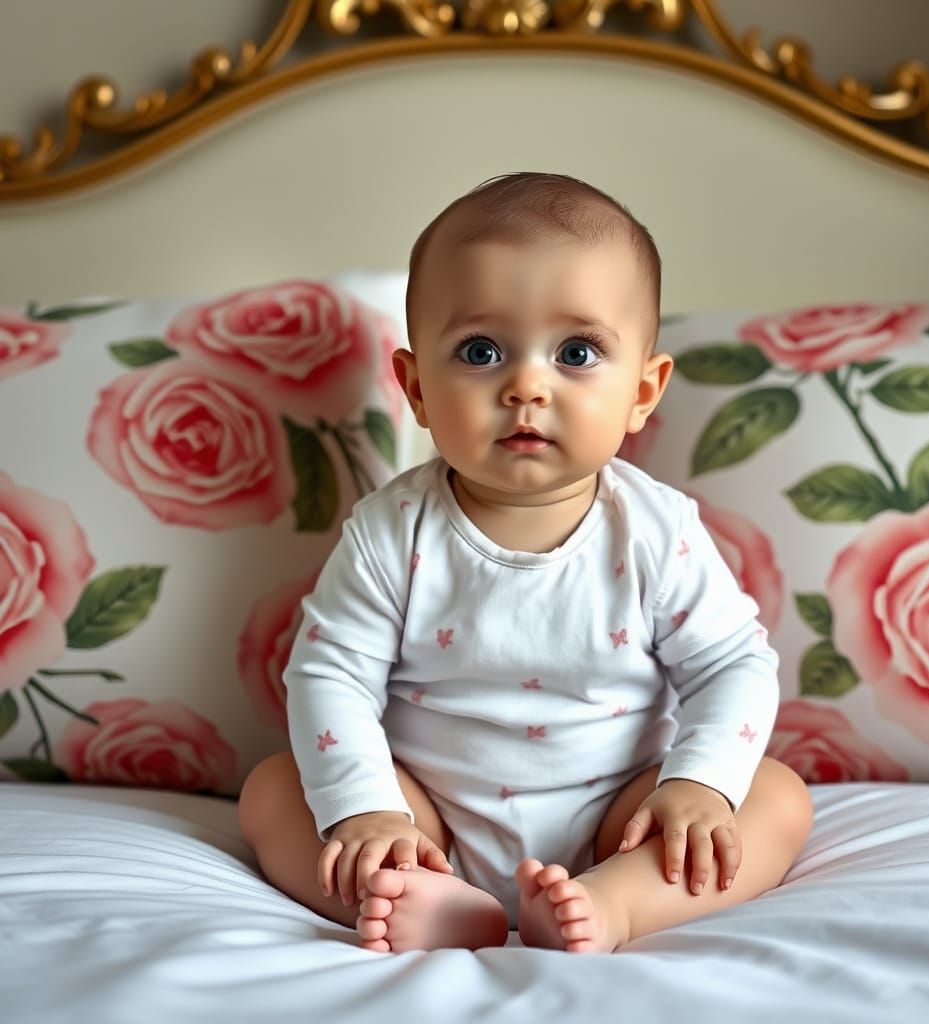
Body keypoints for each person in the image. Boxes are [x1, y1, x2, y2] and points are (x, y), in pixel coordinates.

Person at [238, 171, 814, 954]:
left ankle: (618, 904)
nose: (526, 386)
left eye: (576, 351)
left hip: (625, 816)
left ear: (643, 391)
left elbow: (733, 666)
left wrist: (696, 784)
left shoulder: (653, 530)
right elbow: (330, 676)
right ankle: (425, 900)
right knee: (273, 793)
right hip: (426, 820)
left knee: (776, 799)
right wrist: (368, 809)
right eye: (480, 351)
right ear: (415, 387)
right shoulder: (391, 533)